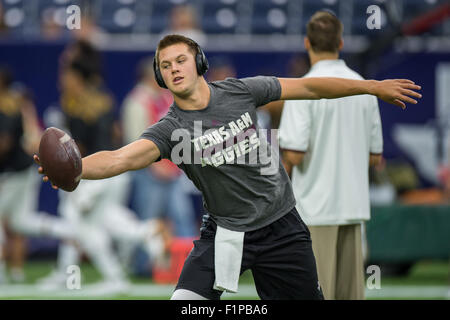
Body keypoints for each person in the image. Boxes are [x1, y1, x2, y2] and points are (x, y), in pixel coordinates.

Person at [35, 34, 421, 300]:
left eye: (181, 60)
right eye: (165, 65)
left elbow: (312, 88)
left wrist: (370, 86)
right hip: (225, 233)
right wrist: (77, 167)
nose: (174, 68)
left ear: (198, 62)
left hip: (281, 228)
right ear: (160, 77)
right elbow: (119, 158)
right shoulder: (170, 129)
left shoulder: (240, 90)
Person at [278, 11, 385, 300]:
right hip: (352, 207)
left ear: (306, 42)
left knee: (314, 293)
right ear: (340, 41)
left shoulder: (303, 88)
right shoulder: (365, 88)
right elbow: (375, 158)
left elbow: (295, 155)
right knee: (350, 294)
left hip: (314, 209)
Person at [121, 57, 197, 274]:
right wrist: (154, 166)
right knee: (148, 219)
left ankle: (188, 265)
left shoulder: (165, 97)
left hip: (171, 170)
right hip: (149, 171)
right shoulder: (136, 101)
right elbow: (135, 140)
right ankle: (142, 267)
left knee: (181, 217)